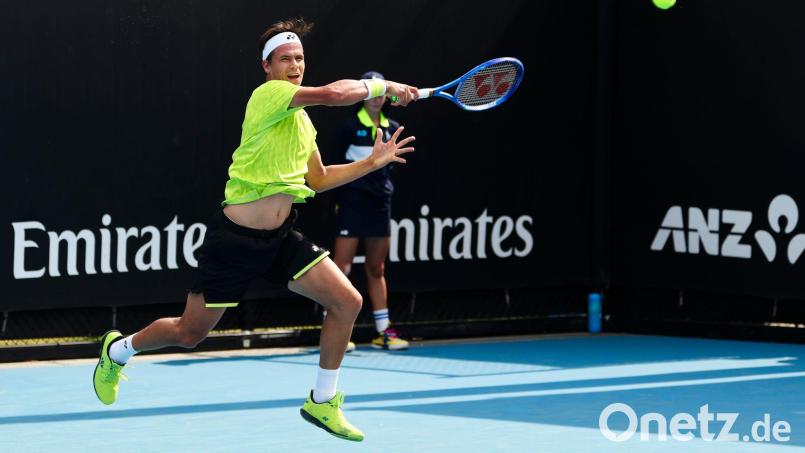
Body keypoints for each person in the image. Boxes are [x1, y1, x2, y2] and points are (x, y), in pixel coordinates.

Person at [91, 18, 418, 442]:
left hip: (280, 238)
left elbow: (316, 179)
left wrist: (370, 163)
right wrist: (385, 86)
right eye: (285, 58)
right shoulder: (269, 95)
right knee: (189, 334)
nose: (295, 65)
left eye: (299, 57)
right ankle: (118, 350)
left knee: (347, 301)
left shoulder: (301, 123)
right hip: (235, 241)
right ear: (267, 66)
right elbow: (337, 94)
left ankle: (322, 400)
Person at [330, 71, 409, 351]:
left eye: (381, 92)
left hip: (379, 205)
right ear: (362, 94)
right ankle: (336, 329)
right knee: (342, 268)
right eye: (371, 92)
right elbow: (331, 168)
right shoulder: (348, 128)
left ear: (386, 95)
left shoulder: (393, 127)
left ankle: (383, 331)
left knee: (377, 268)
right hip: (352, 204)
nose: (376, 98)